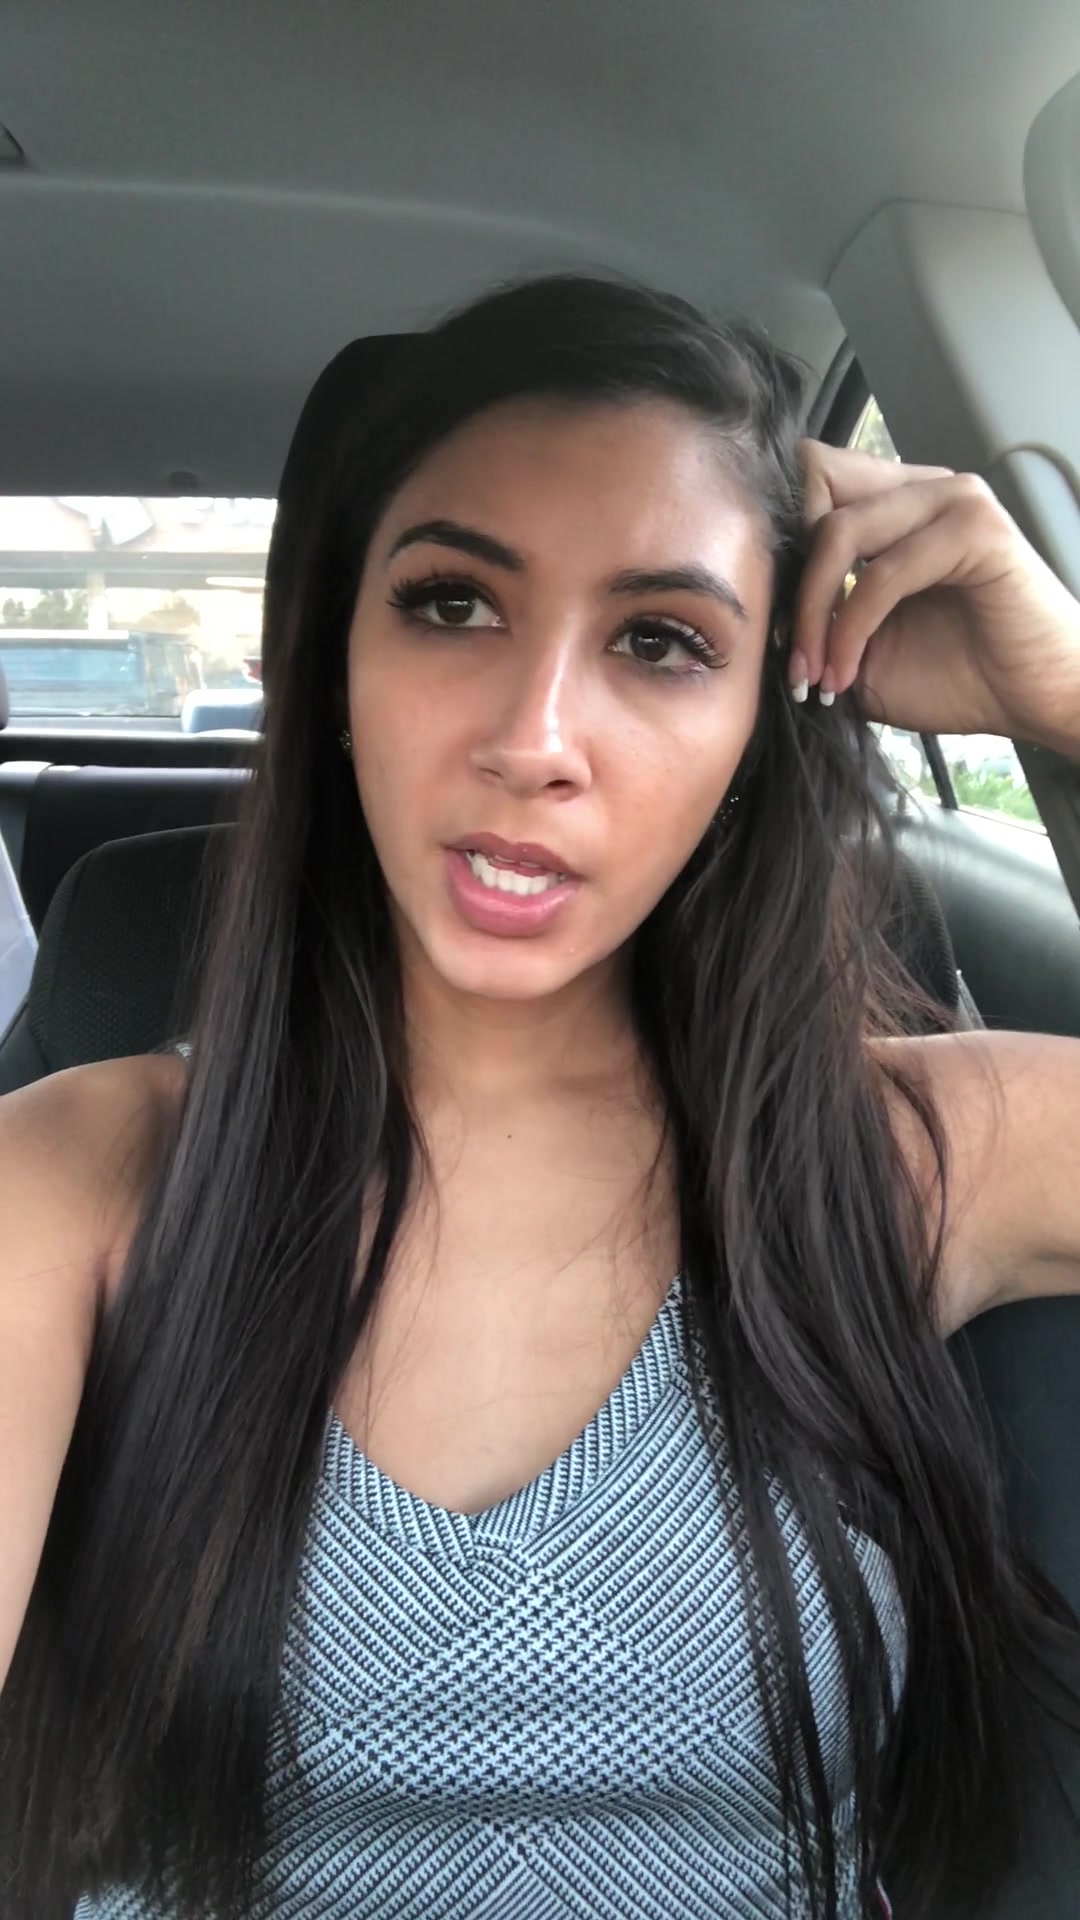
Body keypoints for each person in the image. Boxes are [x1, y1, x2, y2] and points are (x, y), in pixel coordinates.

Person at [1, 273, 1079, 1920]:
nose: (535, 737)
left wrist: (1067, 697)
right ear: (333, 663)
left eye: (662, 642)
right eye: (452, 605)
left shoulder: (907, 1157)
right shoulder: (73, 1181)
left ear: (762, 719)